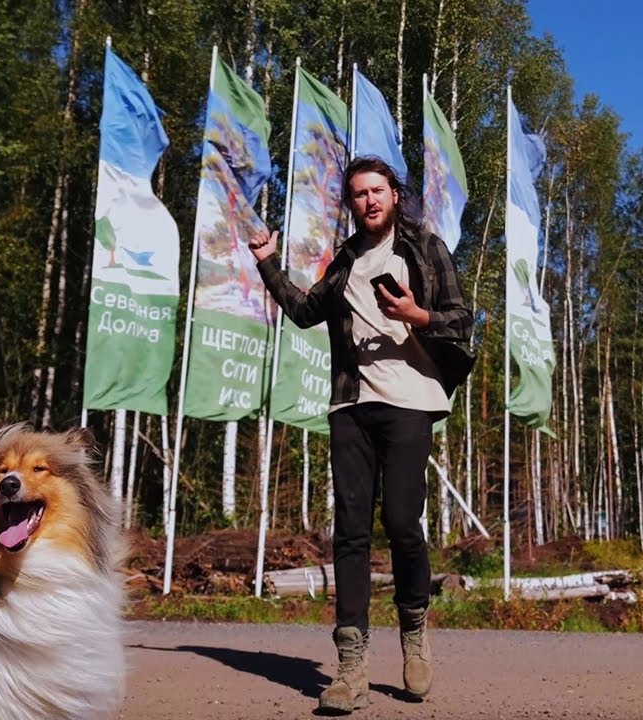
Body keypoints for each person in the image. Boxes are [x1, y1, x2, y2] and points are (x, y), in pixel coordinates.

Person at [248, 156, 473, 713]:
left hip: (409, 400)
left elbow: (462, 319)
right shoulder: (346, 259)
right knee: (350, 530)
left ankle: (414, 634)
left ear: (395, 195)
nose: (369, 201)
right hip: (351, 403)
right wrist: (268, 262)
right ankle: (351, 667)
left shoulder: (424, 247)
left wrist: (417, 315)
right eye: (358, 194)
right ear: (350, 203)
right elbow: (304, 310)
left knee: (401, 521)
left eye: (377, 191)